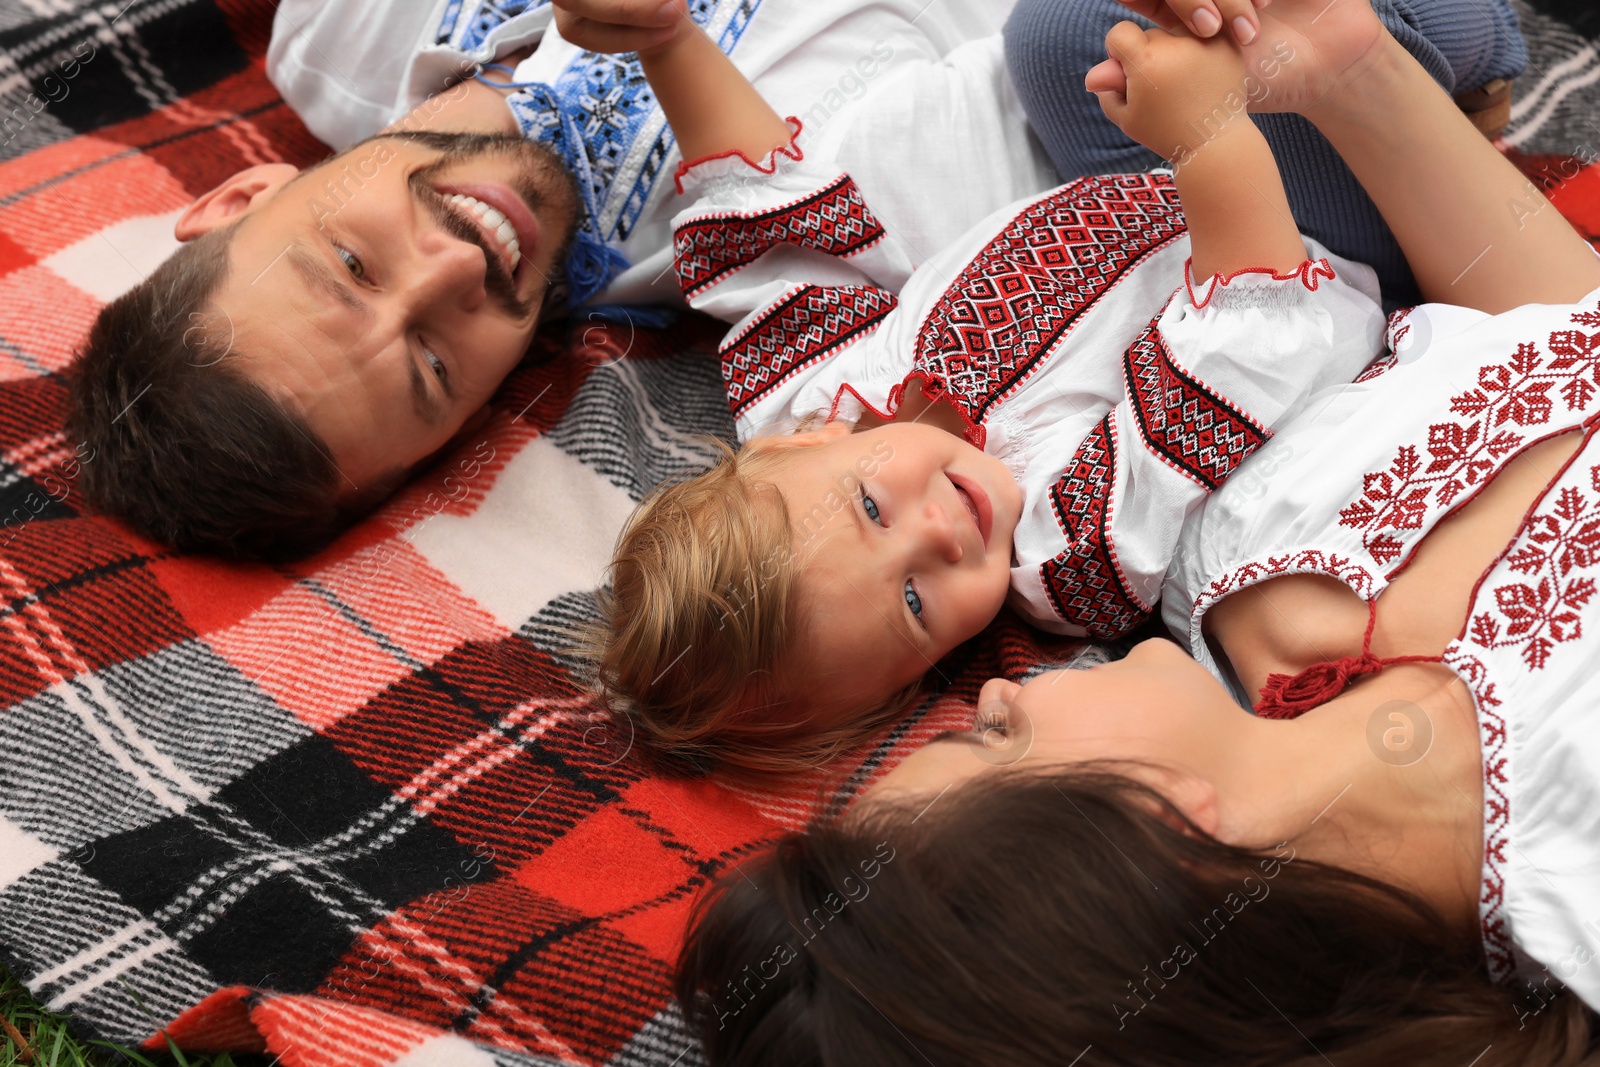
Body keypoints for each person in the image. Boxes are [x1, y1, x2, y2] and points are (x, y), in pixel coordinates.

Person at [671, 0, 1600, 1061]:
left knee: (1063, 35)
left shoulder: (1238, 561)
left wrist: (1353, 70)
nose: (990, 687)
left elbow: (1562, 331)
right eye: (992, 737)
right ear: (1166, 825)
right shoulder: (1571, 875)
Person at [582, 0, 1522, 776]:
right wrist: (1209, 138)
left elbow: (761, 220)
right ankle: (1463, 60)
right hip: (1312, 254)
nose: (939, 534)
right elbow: (1244, 343)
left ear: (793, 448)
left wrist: (670, 41)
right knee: (1327, 36)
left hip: (1161, 182)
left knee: (1054, 35)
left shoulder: (805, 391)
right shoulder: (1068, 551)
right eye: (914, 603)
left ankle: (1410, 80)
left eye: (870, 508)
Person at [66, 0, 1053, 560]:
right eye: (432, 364)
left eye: (352, 265)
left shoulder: (334, 24)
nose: (459, 265)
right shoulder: (800, 224)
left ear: (235, 197)